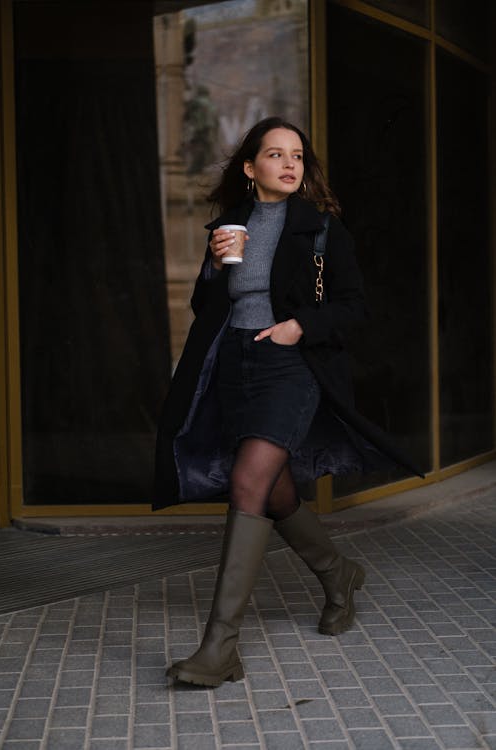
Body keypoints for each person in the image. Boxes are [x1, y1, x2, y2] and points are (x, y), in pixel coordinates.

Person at [154, 116, 420, 688]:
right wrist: (211, 261)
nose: (290, 163)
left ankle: (219, 647)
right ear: (251, 169)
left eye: (297, 155)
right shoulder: (230, 225)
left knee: (249, 481)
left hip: (290, 366)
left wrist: (300, 325)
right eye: (275, 155)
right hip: (234, 363)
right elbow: (208, 305)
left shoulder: (323, 231)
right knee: (273, 490)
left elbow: (354, 307)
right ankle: (338, 573)